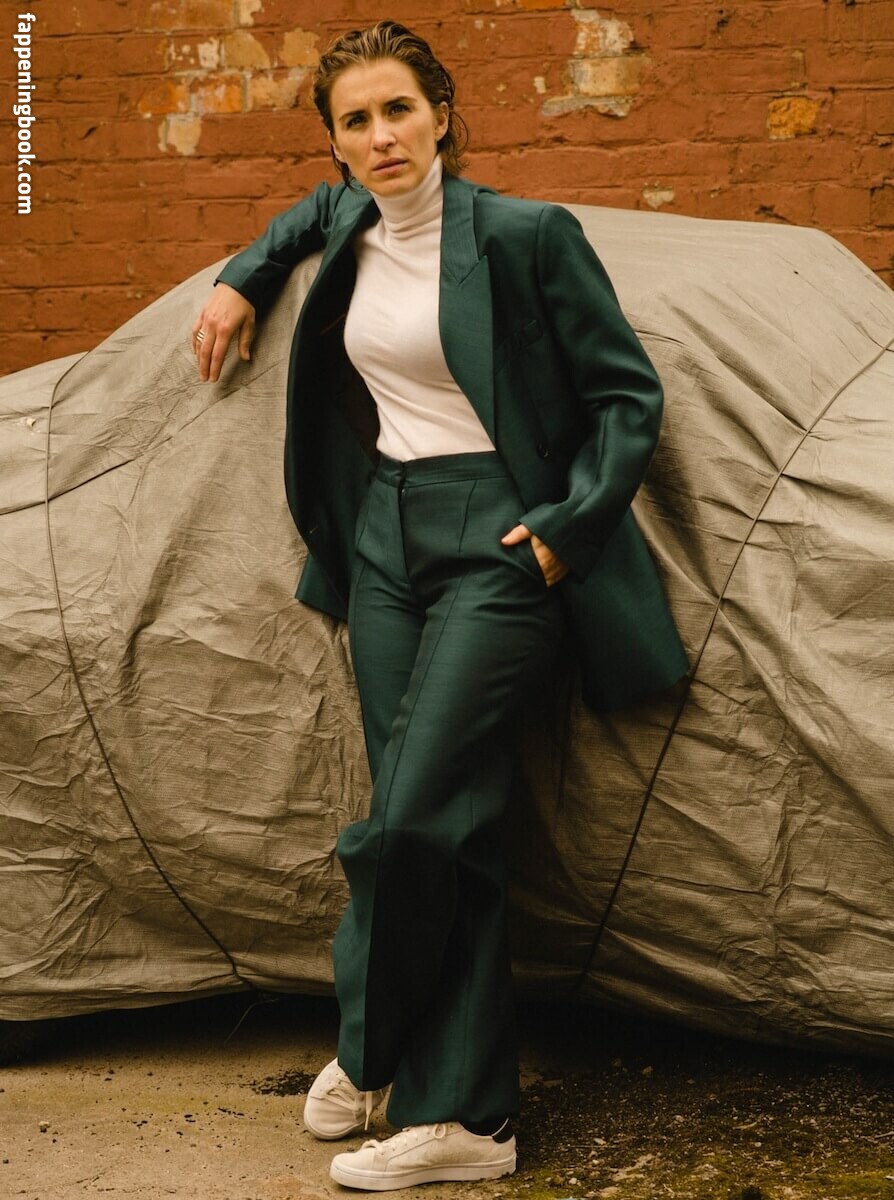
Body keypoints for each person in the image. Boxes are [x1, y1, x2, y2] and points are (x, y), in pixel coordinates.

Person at [192, 19, 688, 1191]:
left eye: (399, 110)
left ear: (443, 115)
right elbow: (299, 220)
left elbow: (626, 395)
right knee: (444, 821)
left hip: (499, 538)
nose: (381, 137)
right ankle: (468, 1117)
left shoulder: (522, 235)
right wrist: (237, 278)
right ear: (336, 145)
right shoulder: (347, 218)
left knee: (415, 815)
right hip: (385, 541)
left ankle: (378, 1045)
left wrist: (566, 529)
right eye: (355, 121)